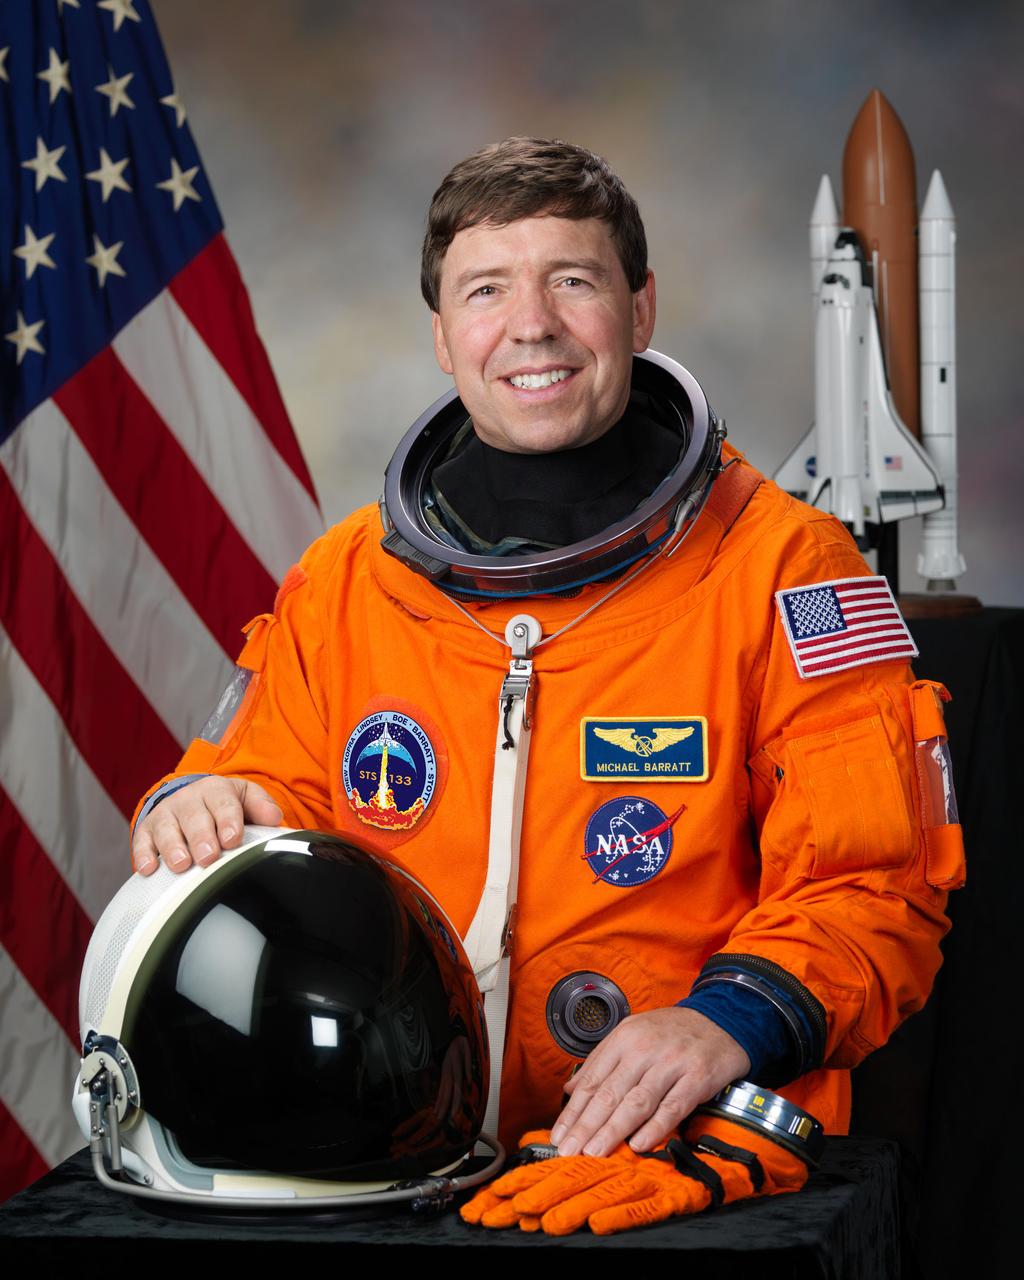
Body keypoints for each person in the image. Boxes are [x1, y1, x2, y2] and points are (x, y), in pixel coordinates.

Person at [129, 138, 963, 1161]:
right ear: (443, 335)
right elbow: (263, 787)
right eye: (487, 290)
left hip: (675, 1154)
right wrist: (200, 803)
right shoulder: (347, 582)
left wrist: (726, 1020)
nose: (532, 325)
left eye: (574, 281)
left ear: (640, 307)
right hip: (384, 1153)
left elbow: (874, 881)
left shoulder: (791, 570)